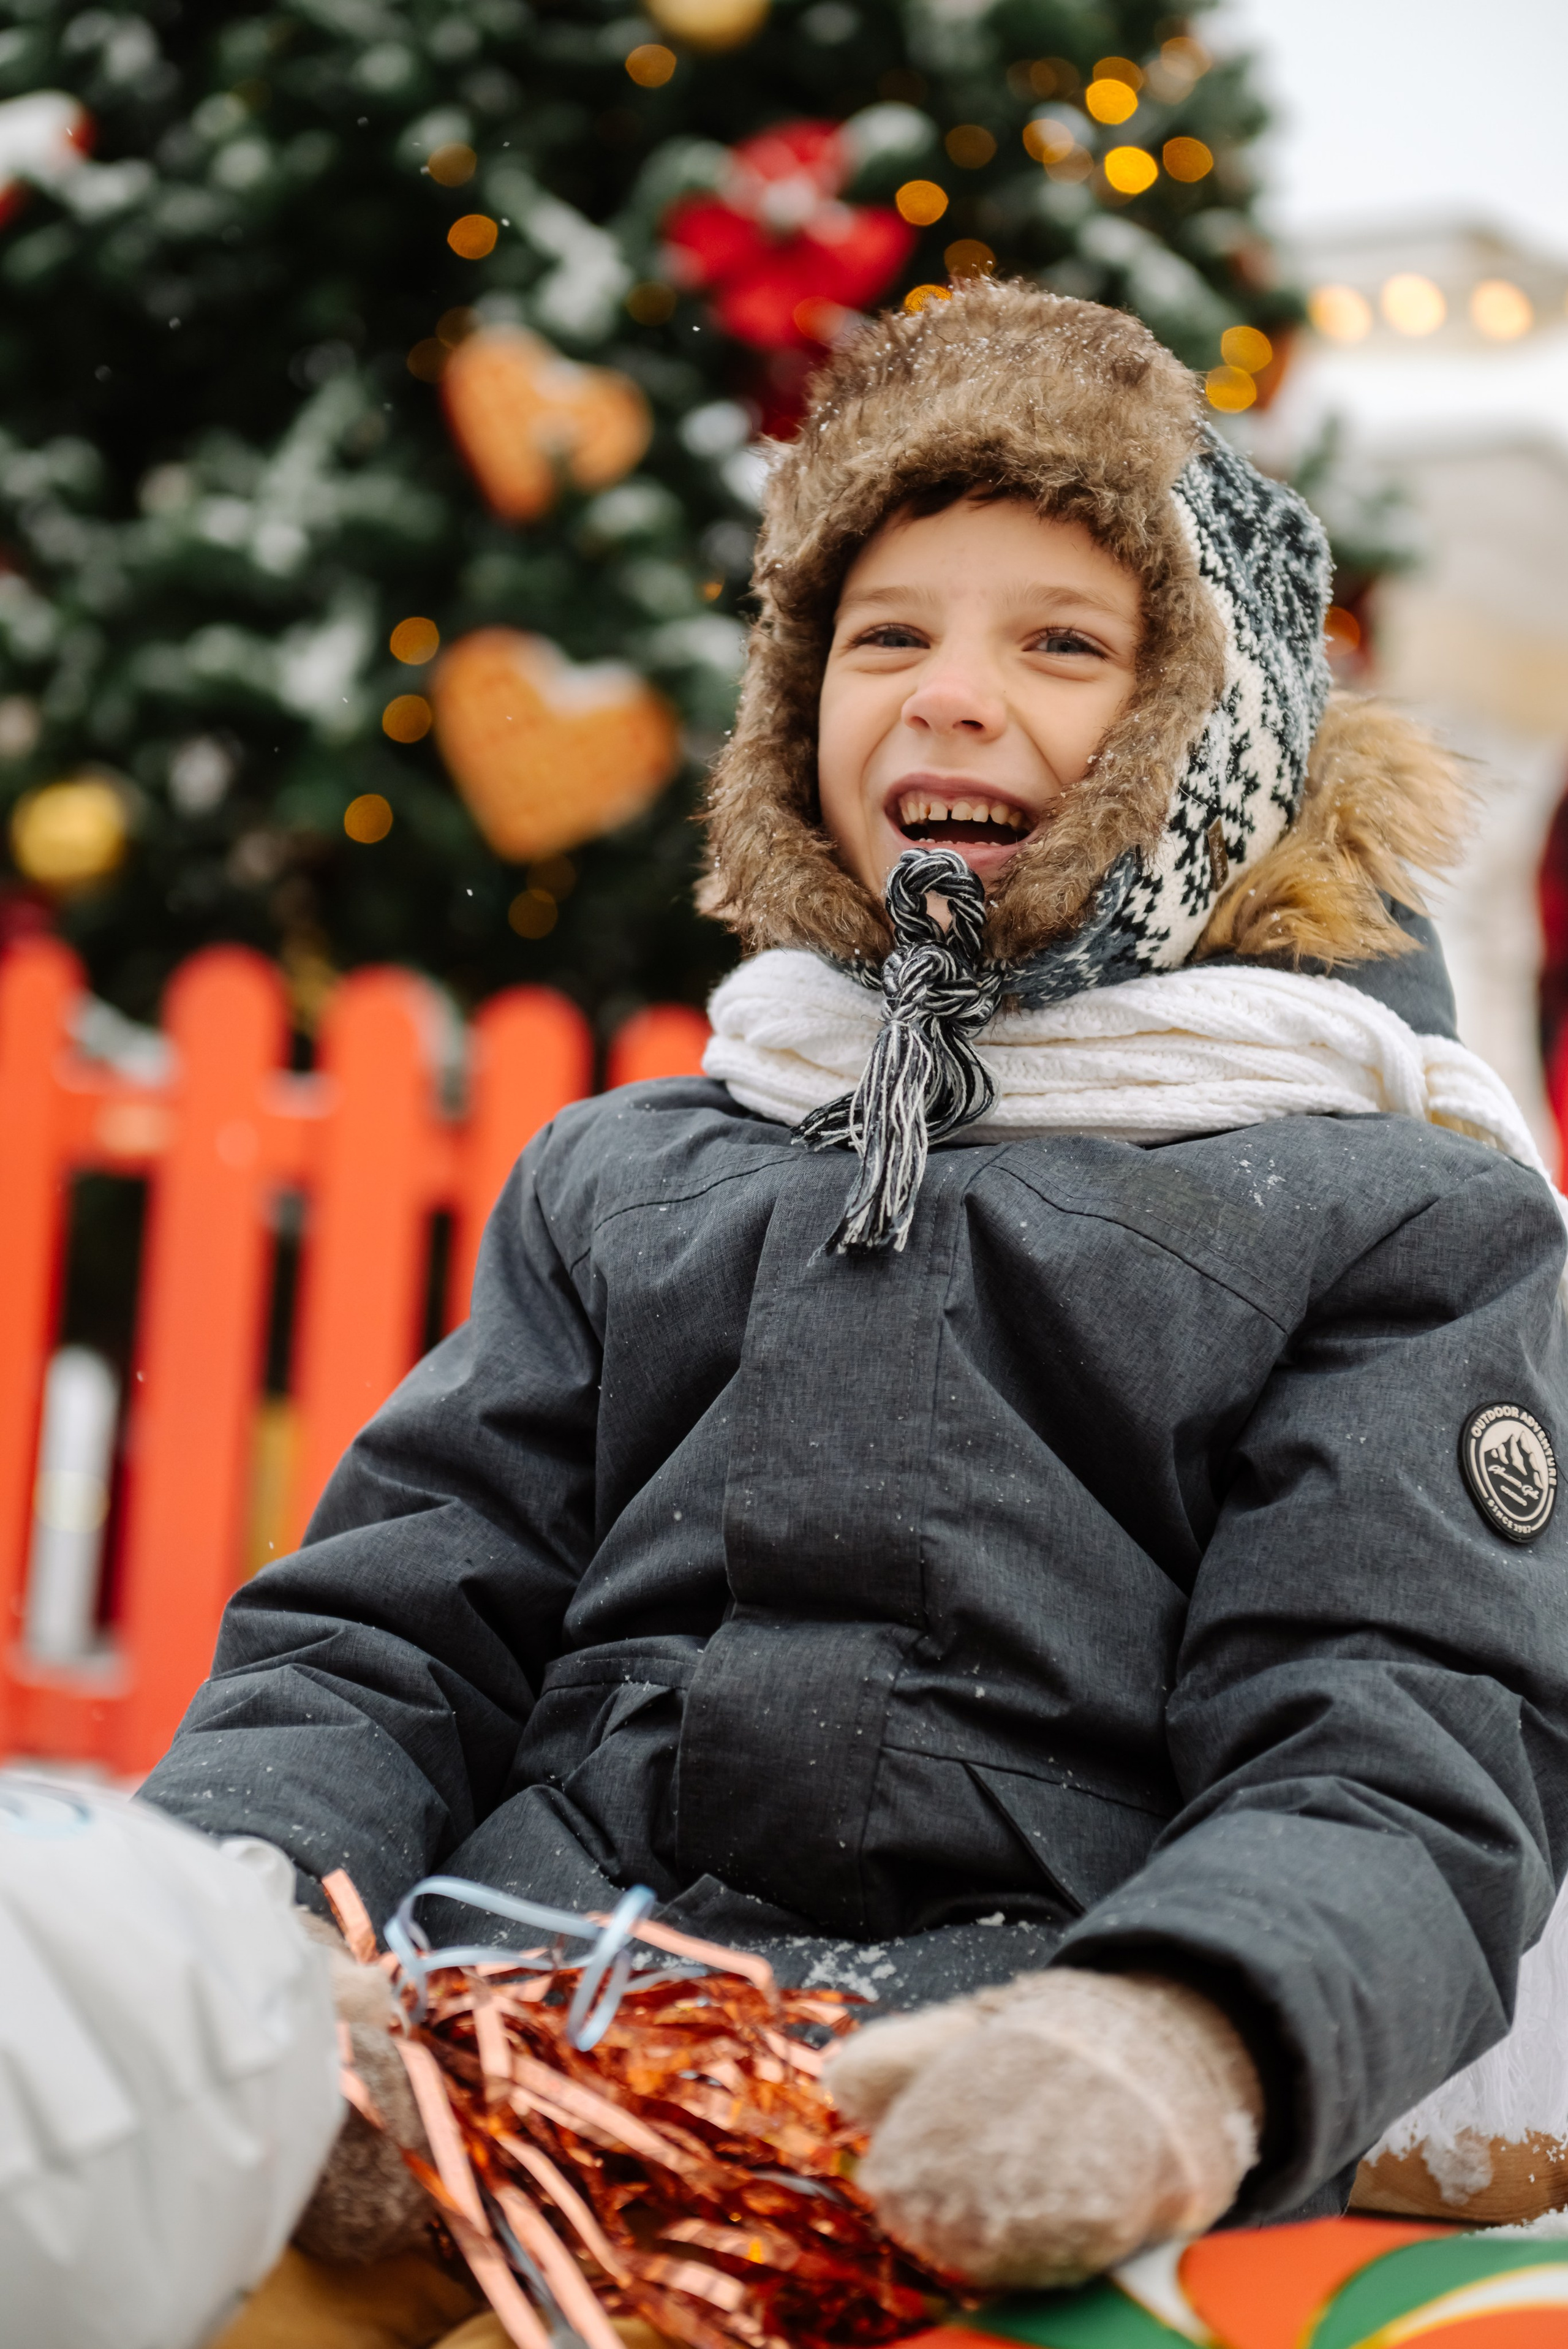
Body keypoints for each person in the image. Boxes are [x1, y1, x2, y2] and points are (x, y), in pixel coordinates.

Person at [140, 280, 1568, 2294]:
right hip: (520, 2020)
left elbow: (1401, 1735)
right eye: (885, 636)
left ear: (1220, 734)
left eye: (1064, 644)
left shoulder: (1376, 1211)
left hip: (1001, 2073)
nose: (950, 692)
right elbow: (392, 1625)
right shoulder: (641, 1168)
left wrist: (1174, 2036)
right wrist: (235, 1918)